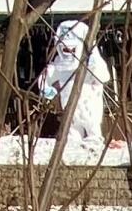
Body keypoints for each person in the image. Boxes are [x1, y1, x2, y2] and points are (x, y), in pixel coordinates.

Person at [34, 19, 110, 162]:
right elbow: (46, 80)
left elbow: (104, 76)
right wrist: (48, 90)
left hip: (89, 104)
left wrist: (94, 68)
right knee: (71, 128)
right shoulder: (58, 65)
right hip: (68, 107)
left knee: (92, 125)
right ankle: (72, 145)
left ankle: (94, 142)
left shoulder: (93, 61)